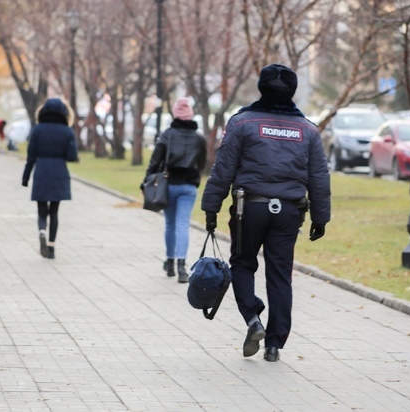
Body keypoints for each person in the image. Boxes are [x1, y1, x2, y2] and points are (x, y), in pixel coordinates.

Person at [201, 64, 331, 362]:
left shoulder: (242, 123)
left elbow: (223, 170)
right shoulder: (309, 131)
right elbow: (320, 178)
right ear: (293, 91)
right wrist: (321, 217)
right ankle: (273, 345)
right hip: (288, 212)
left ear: (261, 88)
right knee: (280, 276)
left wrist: (211, 208)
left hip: (250, 209)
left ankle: (252, 319)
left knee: (243, 264)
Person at [141, 97, 207, 283]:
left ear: (176, 114)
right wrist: (195, 177)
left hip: (168, 185)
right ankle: (182, 266)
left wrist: (145, 182)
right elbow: (202, 163)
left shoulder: (167, 134)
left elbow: (154, 161)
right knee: (182, 224)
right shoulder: (199, 138)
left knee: (170, 224)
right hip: (188, 186)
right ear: (190, 114)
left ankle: (169, 263)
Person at [21, 98, 78, 259]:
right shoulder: (67, 131)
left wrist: (25, 178)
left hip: (41, 172)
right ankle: (51, 248)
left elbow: (30, 156)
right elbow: (72, 156)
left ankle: (41, 231)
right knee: (54, 211)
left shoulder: (38, 130)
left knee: (41, 210)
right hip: (59, 173)